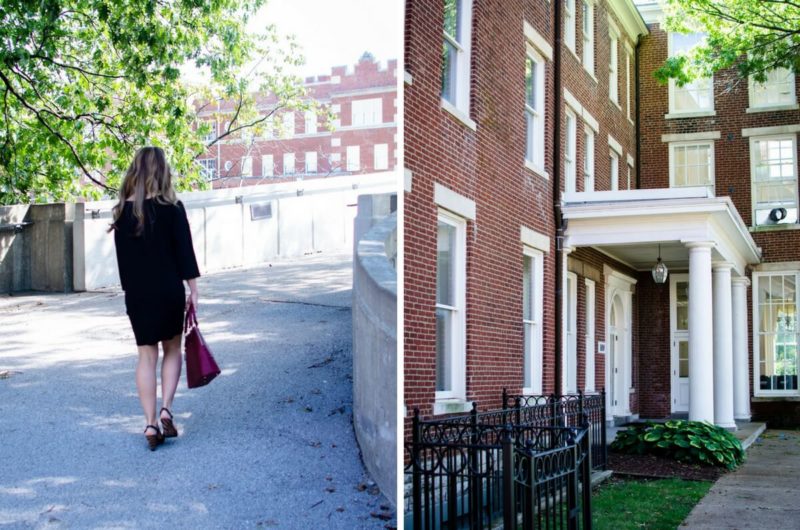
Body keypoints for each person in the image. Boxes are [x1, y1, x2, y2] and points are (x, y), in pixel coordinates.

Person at [109, 146, 200, 451]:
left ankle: (149, 423)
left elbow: (124, 265)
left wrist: (132, 294)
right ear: (163, 172)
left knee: (146, 356)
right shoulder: (173, 208)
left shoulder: (122, 213)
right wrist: (194, 289)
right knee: (172, 349)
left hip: (138, 294)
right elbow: (184, 253)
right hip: (168, 291)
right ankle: (166, 409)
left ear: (135, 171)